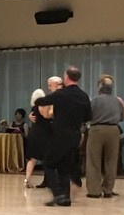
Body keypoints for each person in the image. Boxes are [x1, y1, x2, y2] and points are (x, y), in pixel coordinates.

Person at [34, 67, 91, 207]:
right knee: (64, 166)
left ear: (66, 77)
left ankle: (58, 194)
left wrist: (37, 99)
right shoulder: (84, 96)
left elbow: (41, 101)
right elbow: (88, 116)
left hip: (60, 134)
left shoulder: (61, 94)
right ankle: (65, 198)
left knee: (48, 163)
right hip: (75, 135)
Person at [85, 75, 124, 198]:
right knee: (111, 161)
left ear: (99, 87)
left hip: (96, 130)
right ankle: (108, 190)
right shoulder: (117, 101)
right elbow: (123, 117)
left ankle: (94, 191)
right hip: (114, 130)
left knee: (93, 161)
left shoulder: (94, 101)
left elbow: (87, 116)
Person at [24, 88, 50, 188]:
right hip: (44, 134)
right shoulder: (45, 107)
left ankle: (27, 179)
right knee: (47, 158)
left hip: (34, 133)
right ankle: (48, 180)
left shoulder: (33, 109)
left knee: (32, 158)